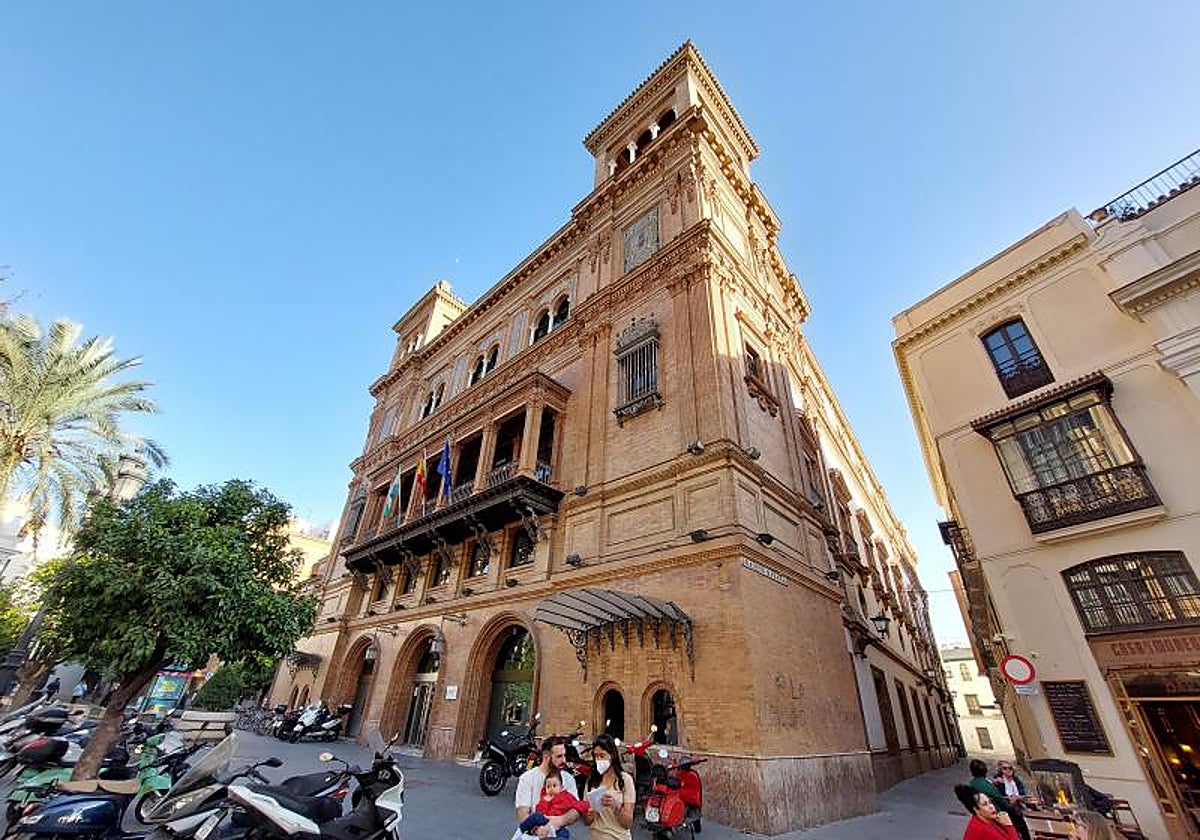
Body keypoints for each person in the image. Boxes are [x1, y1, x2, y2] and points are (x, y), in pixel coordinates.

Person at [515, 736, 581, 839]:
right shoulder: (527, 778)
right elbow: (522, 813)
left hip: (560, 834)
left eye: (564, 755)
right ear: (546, 757)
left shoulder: (568, 779)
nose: (564, 760)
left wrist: (557, 823)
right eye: (559, 756)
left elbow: (576, 812)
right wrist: (537, 830)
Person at [582, 733, 635, 840]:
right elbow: (586, 821)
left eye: (602, 756)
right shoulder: (591, 781)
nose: (599, 760)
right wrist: (591, 814)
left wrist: (616, 806)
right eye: (596, 756)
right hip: (596, 836)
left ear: (612, 755)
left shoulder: (625, 780)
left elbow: (628, 823)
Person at [517, 770, 590, 840]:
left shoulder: (566, 796)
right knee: (536, 816)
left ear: (561, 787)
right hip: (544, 820)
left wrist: (585, 805)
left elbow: (578, 804)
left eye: (554, 786)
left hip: (558, 824)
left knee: (564, 833)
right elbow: (538, 810)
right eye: (548, 786)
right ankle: (521, 830)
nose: (551, 789)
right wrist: (545, 802)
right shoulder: (544, 797)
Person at [970, 759, 1031, 840]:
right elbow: (1000, 799)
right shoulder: (997, 782)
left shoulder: (1016, 780)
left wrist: (1019, 798)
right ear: (1000, 771)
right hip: (1001, 810)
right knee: (1019, 816)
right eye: (1005, 768)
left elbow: (1022, 793)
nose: (1008, 770)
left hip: (1017, 804)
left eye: (1010, 768)